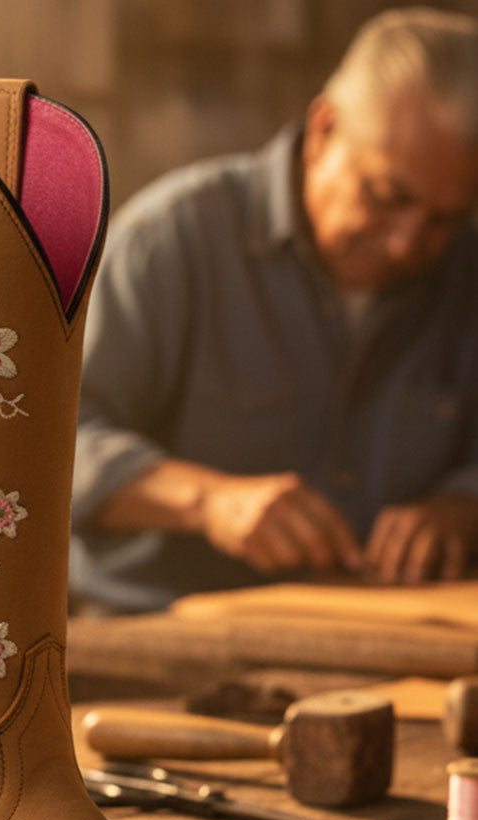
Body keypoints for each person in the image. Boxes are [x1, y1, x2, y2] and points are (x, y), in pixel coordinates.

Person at [71, 7, 478, 613]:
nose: (406, 243)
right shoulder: (173, 239)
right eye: (387, 196)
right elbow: (50, 446)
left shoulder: (467, 268)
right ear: (324, 129)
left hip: (381, 640)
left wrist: (464, 505)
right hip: (154, 636)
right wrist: (208, 502)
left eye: (443, 220)